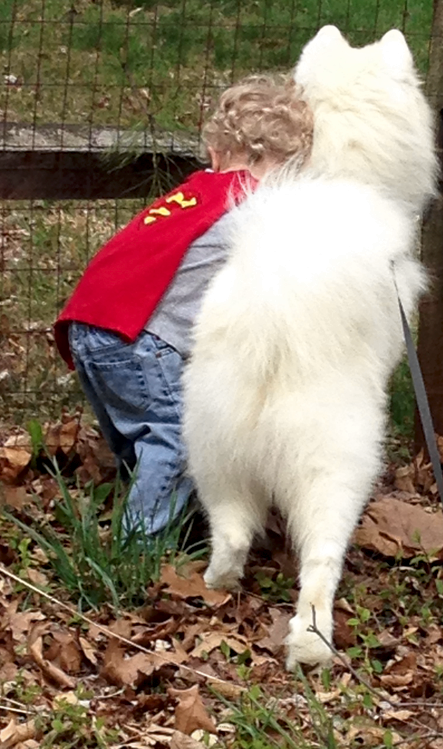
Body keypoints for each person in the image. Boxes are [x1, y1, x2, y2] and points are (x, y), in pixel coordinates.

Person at [54, 76, 314, 537]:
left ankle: (173, 526)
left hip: (88, 325)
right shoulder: (256, 203)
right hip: (141, 339)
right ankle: (135, 551)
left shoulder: (195, 195)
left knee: (144, 442)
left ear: (215, 154)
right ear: (282, 169)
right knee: (181, 440)